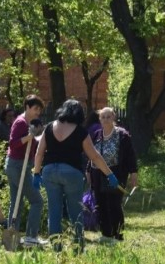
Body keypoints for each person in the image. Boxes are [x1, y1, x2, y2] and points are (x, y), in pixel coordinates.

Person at [32, 100, 121, 251]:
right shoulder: (80, 131)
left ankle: (56, 247)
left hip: (49, 172)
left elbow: (39, 153)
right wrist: (110, 174)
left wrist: (36, 173)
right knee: (75, 211)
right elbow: (95, 157)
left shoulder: (49, 127)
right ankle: (78, 246)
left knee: (54, 211)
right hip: (71, 172)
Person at [88, 107, 138, 241]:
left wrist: (133, 172)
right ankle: (106, 234)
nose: (105, 119)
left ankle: (118, 234)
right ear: (99, 119)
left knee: (114, 203)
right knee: (101, 203)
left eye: (108, 117)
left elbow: (130, 155)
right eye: (103, 117)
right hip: (97, 173)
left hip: (116, 173)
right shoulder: (97, 134)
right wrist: (88, 170)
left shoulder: (122, 135)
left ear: (113, 118)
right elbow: (92, 154)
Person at [5, 95, 46, 247]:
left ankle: (12, 236)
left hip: (21, 165)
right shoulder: (21, 122)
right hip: (17, 166)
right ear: (27, 107)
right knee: (37, 201)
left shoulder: (30, 123)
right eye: (35, 109)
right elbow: (13, 143)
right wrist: (30, 136)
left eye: (39, 110)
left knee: (16, 202)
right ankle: (31, 237)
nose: (38, 112)